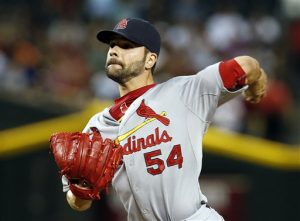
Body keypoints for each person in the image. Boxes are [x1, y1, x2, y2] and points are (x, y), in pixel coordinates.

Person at [63, 18, 267, 220]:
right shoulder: (98, 127)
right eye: (113, 45)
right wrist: (80, 189)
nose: (115, 50)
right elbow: (77, 204)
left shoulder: (183, 92)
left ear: (150, 60)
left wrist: (257, 81)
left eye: (127, 46)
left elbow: (247, 65)